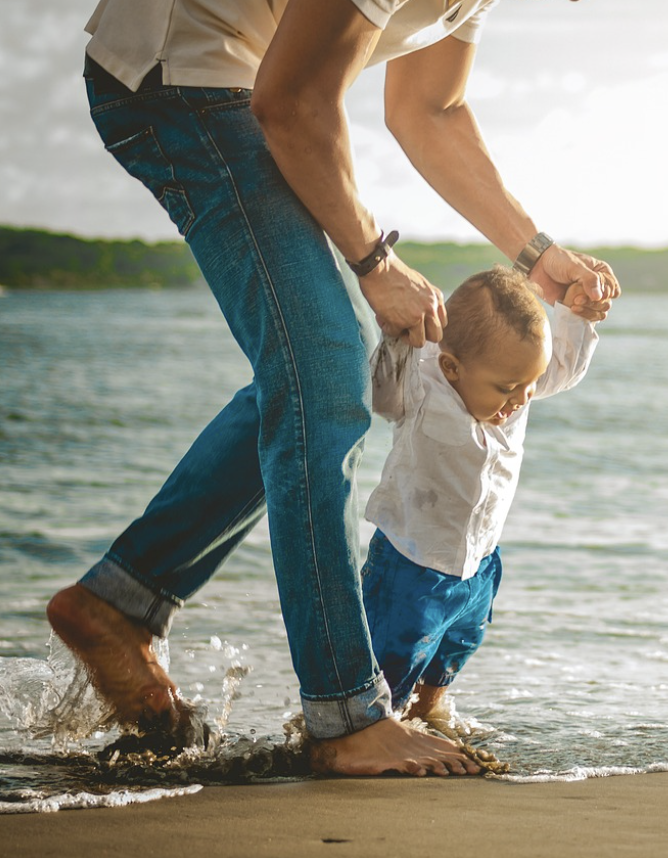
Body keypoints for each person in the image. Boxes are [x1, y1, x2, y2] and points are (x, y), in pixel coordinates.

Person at [45, 0, 620, 777]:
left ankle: (121, 602)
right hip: (178, 78)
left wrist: (535, 251)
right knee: (324, 371)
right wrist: (375, 263)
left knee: (320, 376)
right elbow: (291, 102)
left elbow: (432, 107)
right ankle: (345, 714)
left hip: (236, 81)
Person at [361, 265, 609, 740]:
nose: (520, 399)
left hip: (480, 561)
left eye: (529, 385)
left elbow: (562, 367)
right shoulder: (422, 386)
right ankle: (376, 731)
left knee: (457, 645)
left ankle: (430, 716)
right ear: (453, 367)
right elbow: (381, 393)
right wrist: (395, 335)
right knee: (391, 658)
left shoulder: (515, 379)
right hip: (412, 563)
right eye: (506, 388)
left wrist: (578, 316)